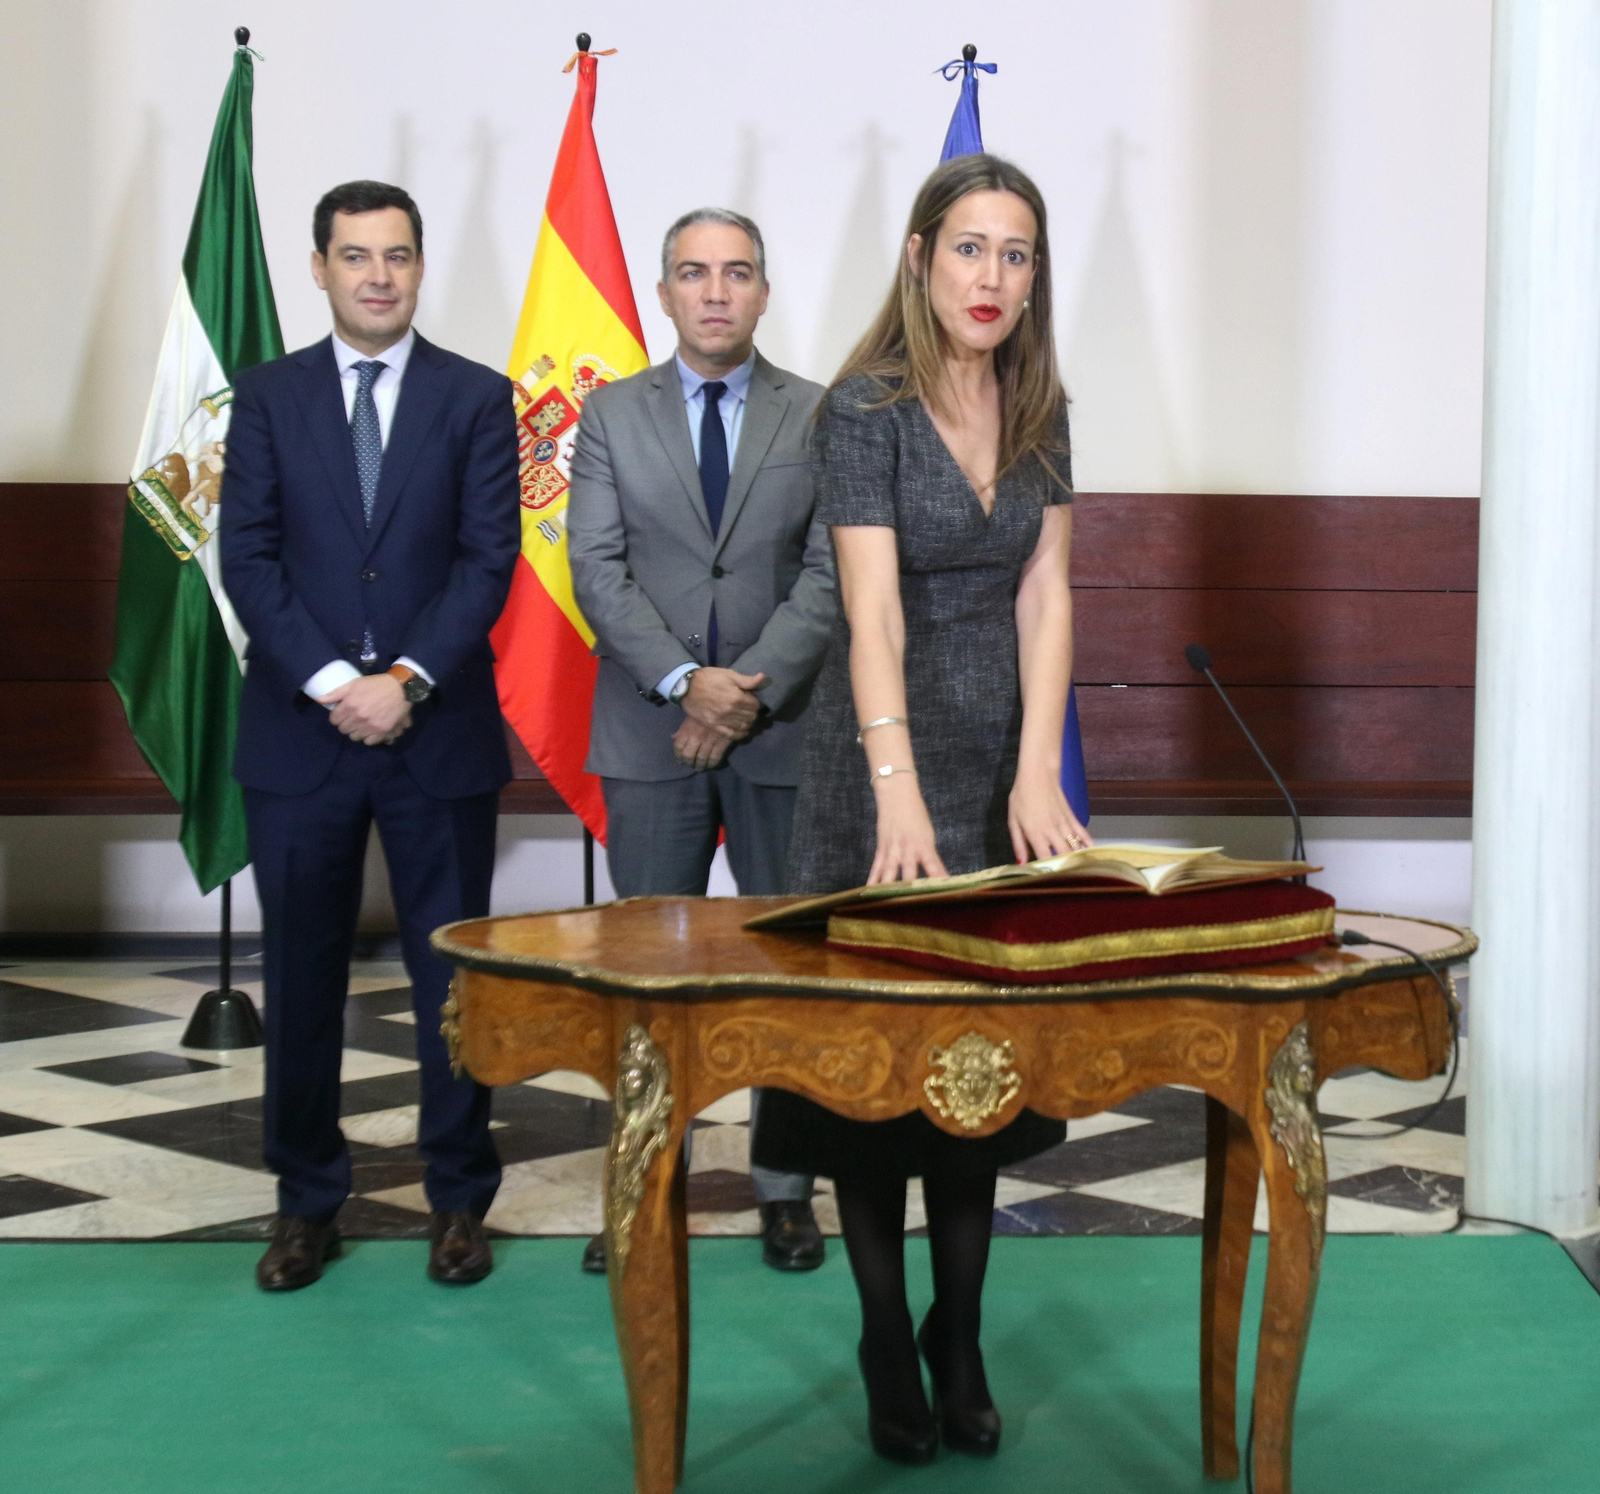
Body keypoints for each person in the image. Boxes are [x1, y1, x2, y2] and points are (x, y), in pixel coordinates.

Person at [751, 154, 1093, 1464]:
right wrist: (896, 794)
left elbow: (1046, 595)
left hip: (995, 765)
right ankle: (886, 1333)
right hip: (872, 775)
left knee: (978, 1076)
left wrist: (1035, 768)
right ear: (917, 256)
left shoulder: (1044, 404)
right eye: (969, 247)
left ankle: (961, 1332)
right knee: (871, 1082)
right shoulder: (865, 409)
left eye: (1015, 252)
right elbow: (871, 612)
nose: (991, 275)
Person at [221, 181, 520, 1292]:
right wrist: (337, 683)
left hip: (435, 731)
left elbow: (488, 559)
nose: (378, 276)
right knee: (302, 976)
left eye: (397, 255)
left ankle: (459, 1199)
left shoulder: (475, 397)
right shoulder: (267, 396)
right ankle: (306, 1203)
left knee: (454, 979)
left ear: (419, 267)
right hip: (300, 736)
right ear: (320, 269)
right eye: (356, 256)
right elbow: (247, 556)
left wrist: (402, 681)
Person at [568, 207, 836, 1274]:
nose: (715, 292)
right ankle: (644, 1188)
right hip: (650, 734)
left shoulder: (818, 413)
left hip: (783, 731)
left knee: (787, 973)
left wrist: (744, 695)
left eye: (736, 273)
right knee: (647, 981)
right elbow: (596, 568)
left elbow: (830, 572)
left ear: (764, 291)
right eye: (694, 273)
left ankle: (786, 1191)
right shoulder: (609, 414)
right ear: (664, 292)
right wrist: (687, 684)